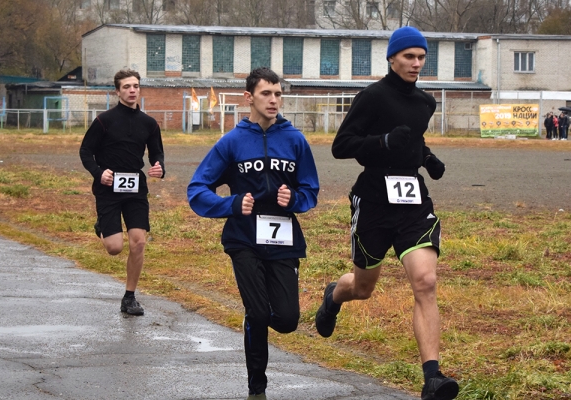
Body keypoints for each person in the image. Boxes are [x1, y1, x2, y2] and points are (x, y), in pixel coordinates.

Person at [314, 26, 459, 400]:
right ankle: (334, 296)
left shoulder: (425, 103)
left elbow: (413, 138)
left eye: (421, 57)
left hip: (412, 201)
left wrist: (427, 158)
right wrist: (383, 142)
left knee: (425, 281)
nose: (416, 63)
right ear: (392, 58)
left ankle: (432, 378)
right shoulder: (372, 97)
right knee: (363, 288)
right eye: (409, 56)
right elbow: (341, 145)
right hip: (375, 202)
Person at [187, 67, 319, 400]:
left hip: (283, 239)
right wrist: (230, 204)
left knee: (287, 320)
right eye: (266, 94)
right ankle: (256, 388)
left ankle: (258, 321)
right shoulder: (232, 142)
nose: (274, 100)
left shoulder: (295, 140)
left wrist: (295, 199)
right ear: (249, 97)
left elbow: (311, 189)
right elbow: (197, 189)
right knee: (258, 314)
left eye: (278, 94)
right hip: (244, 238)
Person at [79, 69, 165, 316]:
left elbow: (157, 153)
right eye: (126, 86)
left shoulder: (149, 123)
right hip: (108, 188)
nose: (132, 90)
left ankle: (129, 297)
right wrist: (99, 173)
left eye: (135, 86)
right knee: (115, 247)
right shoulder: (104, 121)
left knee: (139, 242)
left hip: (135, 188)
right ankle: (103, 225)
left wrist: (159, 166)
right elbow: (85, 151)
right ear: (117, 91)